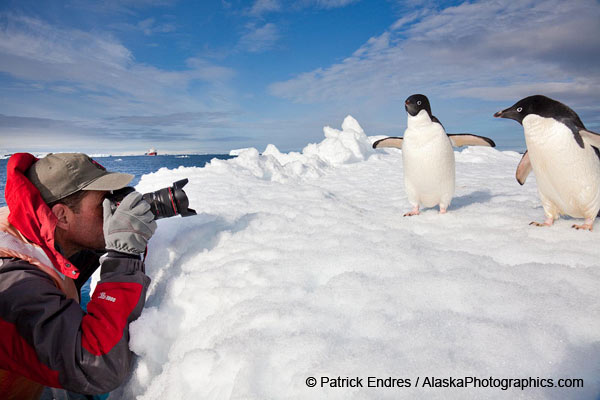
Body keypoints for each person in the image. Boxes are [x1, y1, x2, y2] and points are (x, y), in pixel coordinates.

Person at [0, 152, 157, 399]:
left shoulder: (35, 231)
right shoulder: (17, 283)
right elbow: (96, 368)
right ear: (61, 216)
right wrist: (123, 255)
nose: (111, 212)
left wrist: (129, 226)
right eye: (103, 204)